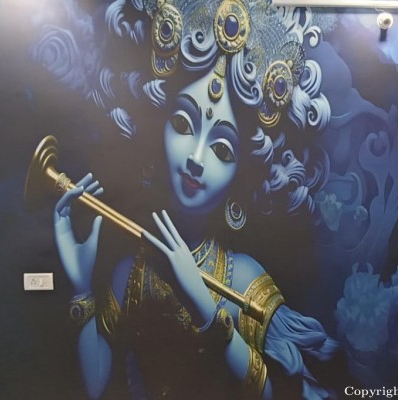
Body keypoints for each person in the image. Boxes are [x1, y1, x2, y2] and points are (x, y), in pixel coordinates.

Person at [50, 0, 338, 398]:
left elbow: (279, 392)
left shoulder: (241, 278)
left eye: (221, 149)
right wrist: (81, 288)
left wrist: (205, 305)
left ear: (240, 176)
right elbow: (98, 387)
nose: (196, 159)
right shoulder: (131, 273)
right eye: (183, 124)